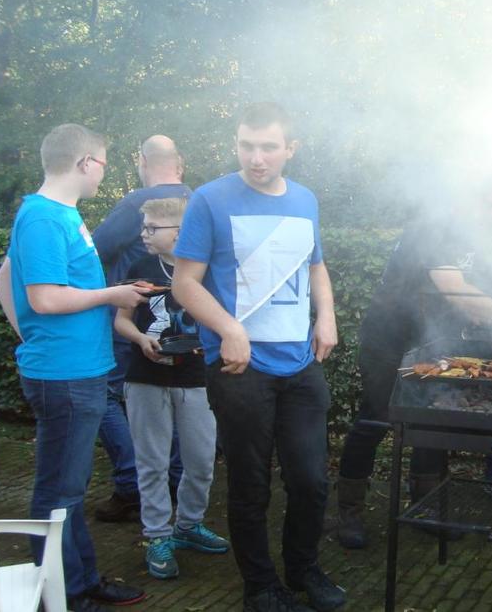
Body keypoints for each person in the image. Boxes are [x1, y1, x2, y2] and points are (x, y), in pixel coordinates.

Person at [172, 103, 345, 612]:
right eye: (247, 145)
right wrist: (227, 328)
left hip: (299, 364)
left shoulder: (306, 200)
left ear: (290, 149)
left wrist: (327, 317)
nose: (256, 157)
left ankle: (303, 568)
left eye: (268, 146)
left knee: (311, 479)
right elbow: (184, 282)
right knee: (249, 482)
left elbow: (315, 265)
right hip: (238, 367)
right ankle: (260, 586)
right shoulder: (210, 199)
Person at [335, 200, 492, 550]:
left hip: (429, 340)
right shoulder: (432, 227)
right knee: (375, 418)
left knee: (433, 418)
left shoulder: (469, 234)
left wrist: (489, 302)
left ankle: (425, 508)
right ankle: (350, 511)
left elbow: (467, 286)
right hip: (388, 339)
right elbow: (457, 289)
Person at [0, 123, 148, 612]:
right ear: (84, 162)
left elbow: (4, 276)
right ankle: (60, 594)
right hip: (64, 377)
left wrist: (30, 336)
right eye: (103, 163)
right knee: (57, 491)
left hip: (75, 370)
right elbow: (42, 296)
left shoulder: (61, 214)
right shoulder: (43, 218)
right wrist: (112, 296)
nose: (104, 173)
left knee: (70, 489)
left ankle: (80, 581)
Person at [114, 197, 229, 580]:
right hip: (146, 378)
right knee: (152, 463)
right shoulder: (140, 266)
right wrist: (141, 341)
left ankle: (189, 526)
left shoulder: (206, 269)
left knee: (200, 461)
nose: (143, 234)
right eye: (143, 226)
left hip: (197, 378)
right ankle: (158, 536)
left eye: (151, 228)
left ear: (179, 231)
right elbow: (122, 321)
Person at [91, 135, 190, 522]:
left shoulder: (137, 204)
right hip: (185, 324)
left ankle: (133, 484)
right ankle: (177, 487)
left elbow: (93, 250)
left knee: (106, 396)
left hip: (135, 326)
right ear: (179, 164)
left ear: (142, 161)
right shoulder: (196, 199)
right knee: (178, 402)